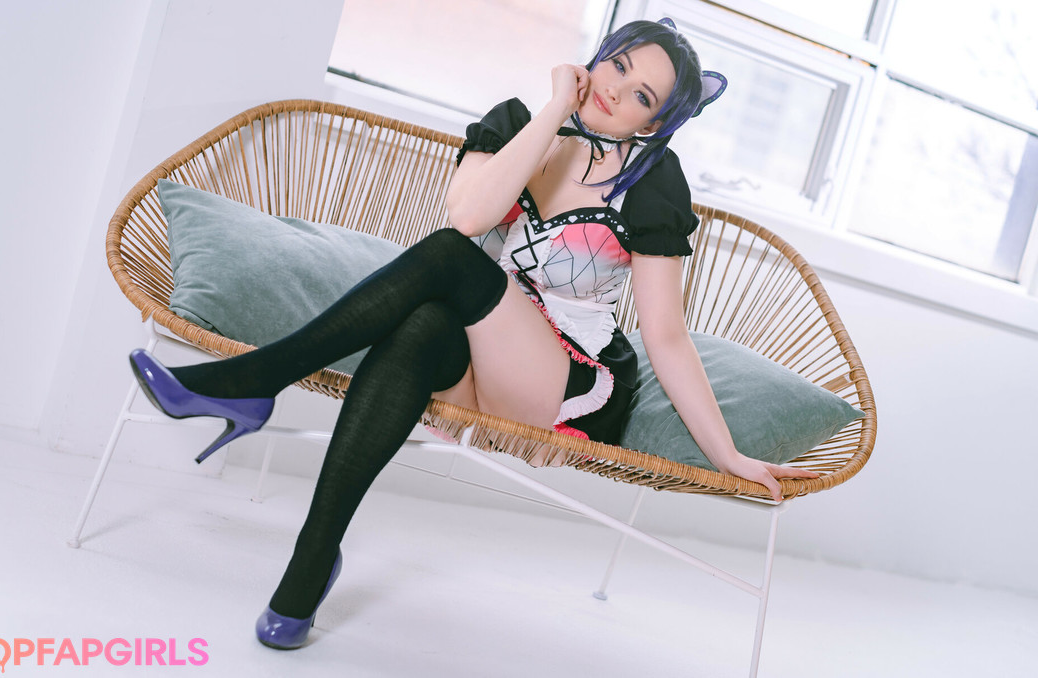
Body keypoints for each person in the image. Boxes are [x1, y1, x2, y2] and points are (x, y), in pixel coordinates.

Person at [128, 17, 818, 650]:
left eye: (641, 95)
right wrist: (554, 110)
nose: (615, 90)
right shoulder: (520, 123)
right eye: (618, 65)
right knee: (422, 326)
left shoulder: (652, 183)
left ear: (656, 121)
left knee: (449, 260)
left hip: (566, 380)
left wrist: (727, 453)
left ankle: (253, 381)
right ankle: (310, 564)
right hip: (483, 350)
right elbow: (470, 214)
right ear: (599, 57)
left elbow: (665, 335)